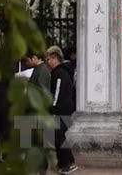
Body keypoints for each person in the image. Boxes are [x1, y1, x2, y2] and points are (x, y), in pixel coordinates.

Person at [46, 46, 77, 174]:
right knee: (59, 136)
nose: (47, 62)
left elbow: (58, 92)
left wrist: (53, 108)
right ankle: (67, 162)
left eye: (48, 59)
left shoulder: (59, 73)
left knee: (59, 137)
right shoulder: (61, 72)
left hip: (62, 109)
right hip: (65, 108)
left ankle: (67, 164)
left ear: (55, 58)